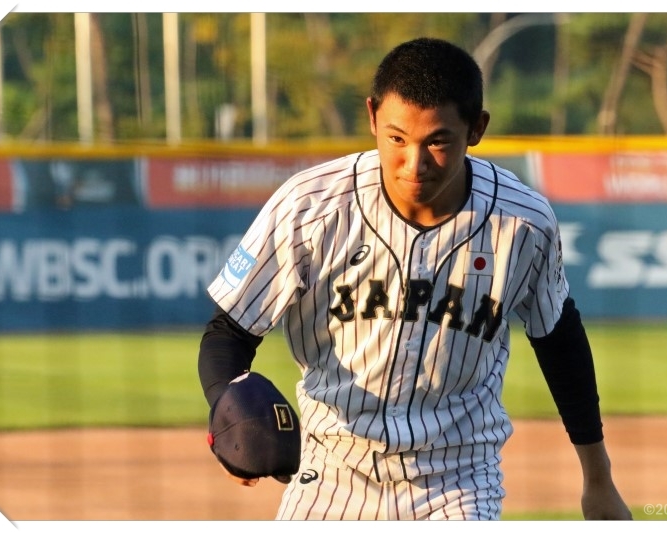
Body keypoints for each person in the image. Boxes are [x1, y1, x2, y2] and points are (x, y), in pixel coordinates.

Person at [198, 36, 632, 521]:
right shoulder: (310, 206)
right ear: (372, 117)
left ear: (477, 128)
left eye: (438, 141)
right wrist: (229, 409)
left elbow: (559, 342)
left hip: (458, 480)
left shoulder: (522, 222)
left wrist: (599, 480)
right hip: (330, 472)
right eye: (397, 138)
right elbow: (229, 331)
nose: (414, 164)